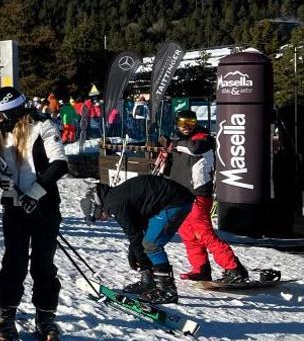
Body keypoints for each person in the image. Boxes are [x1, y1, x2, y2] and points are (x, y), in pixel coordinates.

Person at [0, 86, 68, 341]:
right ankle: (6, 313)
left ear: (13, 111)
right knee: (14, 262)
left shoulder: (43, 126)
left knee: (43, 264)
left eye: (0, 114)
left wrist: (33, 194)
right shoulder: (1, 134)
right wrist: (11, 190)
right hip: (14, 207)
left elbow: (59, 164)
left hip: (43, 204)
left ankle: (45, 317)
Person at [82, 175, 195, 304]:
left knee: (151, 244)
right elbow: (136, 230)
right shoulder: (112, 197)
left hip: (175, 202)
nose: (102, 220)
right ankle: (149, 282)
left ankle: (167, 291)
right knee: (145, 241)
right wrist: (134, 252)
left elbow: (135, 234)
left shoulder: (114, 204)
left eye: (97, 217)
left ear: (97, 208)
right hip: (168, 200)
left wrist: (142, 261)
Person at [164, 109, 247, 282]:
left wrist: (174, 143)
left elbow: (194, 149)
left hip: (198, 194)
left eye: (191, 123)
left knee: (204, 233)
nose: (187, 127)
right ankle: (201, 268)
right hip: (179, 194)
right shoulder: (178, 141)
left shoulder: (204, 138)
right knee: (188, 234)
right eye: (182, 123)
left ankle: (234, 268)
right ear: (176, 124)